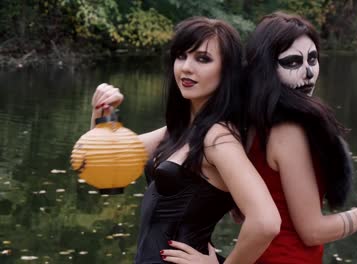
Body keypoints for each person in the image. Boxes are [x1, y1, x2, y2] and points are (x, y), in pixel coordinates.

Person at [164, 12, 357, 264]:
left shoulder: (246, 124)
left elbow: (239, 212)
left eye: (312, 59)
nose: (308, 73)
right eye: (292, 62)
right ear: (266, 68)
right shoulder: (287, 132)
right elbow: (312, 231)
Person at [89, 17, 281, 264]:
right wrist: (103, 114)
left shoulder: (218, 139)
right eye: (181, 56)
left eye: (202, 59)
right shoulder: (179, 131)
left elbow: (266, 222)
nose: (186, 68)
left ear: (227, 71)